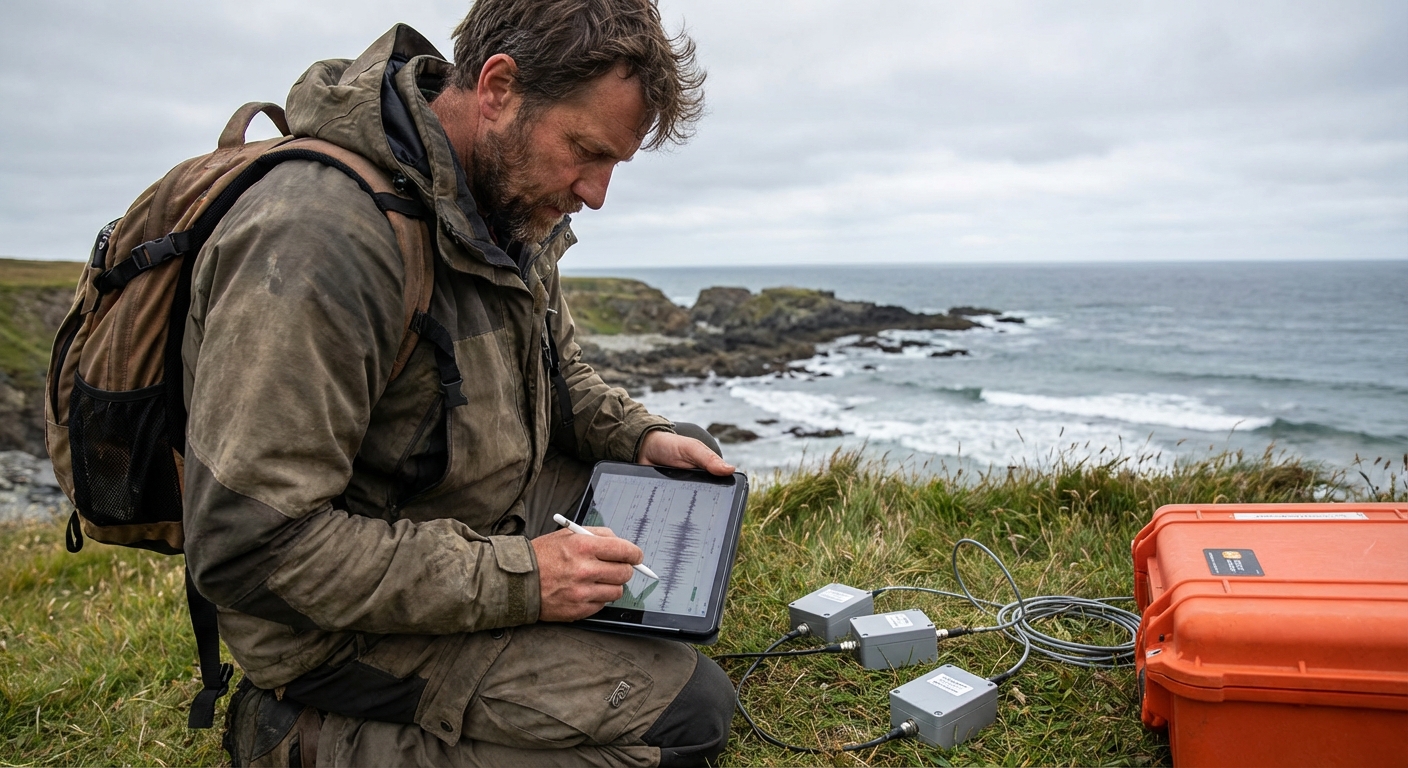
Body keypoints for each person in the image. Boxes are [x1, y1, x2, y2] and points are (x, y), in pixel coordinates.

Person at [183, 1, 734, 765]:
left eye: (614, 164)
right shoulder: (319, 241)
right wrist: (527, 581)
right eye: (586, 151)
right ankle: (294, 738)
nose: (598, 193)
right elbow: (250, 550)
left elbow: (556, 373)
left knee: (683, 470)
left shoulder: (505, 199)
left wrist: (641, 435)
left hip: (474, 510)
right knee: (691, 716)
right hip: (329, 627)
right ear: (499, 88)